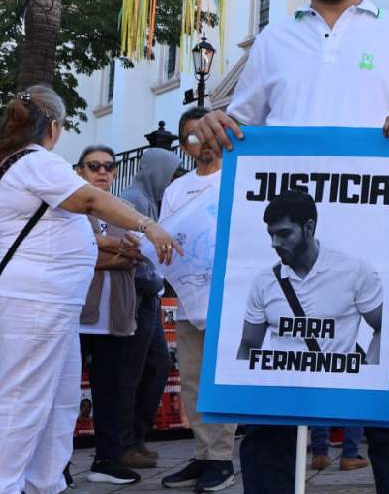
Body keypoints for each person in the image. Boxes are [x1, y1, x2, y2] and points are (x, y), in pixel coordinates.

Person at [193, 0, 389, 494]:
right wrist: (209, 126)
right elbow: (239, 127)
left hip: (379, 258)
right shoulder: (273, 40)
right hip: (277, 261)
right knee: (266, 422)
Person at [0, 87, 179, 494]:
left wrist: (102, 245)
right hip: (38, 298)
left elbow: (53, 227)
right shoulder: (36, 162)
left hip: (53, 301)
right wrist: (147, 225)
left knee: (60, 400)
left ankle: (45, 483)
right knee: (24, 398)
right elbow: (88, 200)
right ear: (52, 126)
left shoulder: (12, 163)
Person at [159, 107, 239, 492]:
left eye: (207, 134)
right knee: (191, 379)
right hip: (189, 297)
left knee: (219, 378)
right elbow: (165, 238)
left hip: (226, 296)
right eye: (193, 135)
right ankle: (204, 453)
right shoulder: (176, 189)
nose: (202, 142)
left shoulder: (237, 177)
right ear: (183, 144)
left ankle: (221, 458)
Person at [236, 189, 383, 362]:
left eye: (284, 234)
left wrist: (366, 373)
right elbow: (248, 346)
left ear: (309, 227)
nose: (275, 243)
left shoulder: (354, 271)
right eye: (271, 234)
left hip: (336, 387)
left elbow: (385, 328)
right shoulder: (264, 281)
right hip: (281, 386)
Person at [75, 144, 142, 484]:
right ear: (80, 171)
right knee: (66, 392)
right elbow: (77, 257)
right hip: (77, 316)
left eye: (108, 166)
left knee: (112, 391)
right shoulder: (70, 211)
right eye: (94, 166)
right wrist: (118, 252)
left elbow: (137, 256)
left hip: (116, 317)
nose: (102, 172)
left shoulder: (126, 210)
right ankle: (56, 465)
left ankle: (107, 460)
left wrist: (101, 249)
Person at [112, 147, 179, 473]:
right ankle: (125, 443)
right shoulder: (133, 200)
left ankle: (135, 437)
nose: (172, 182)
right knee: (133, 371)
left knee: (156, 366)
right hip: (136, 297)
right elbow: (134, 251)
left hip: (148, 297)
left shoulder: (152, 201)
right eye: (170, 175)